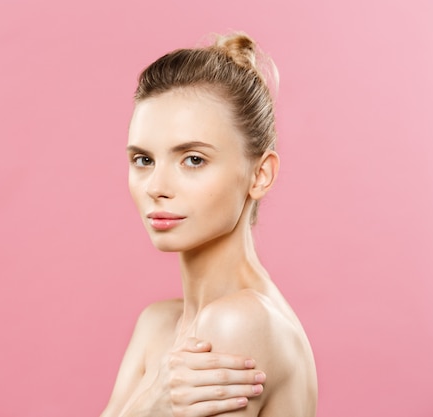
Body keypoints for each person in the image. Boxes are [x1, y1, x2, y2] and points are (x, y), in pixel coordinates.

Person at [101, 32, 318, 417]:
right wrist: (151, 403)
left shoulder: (240, 323)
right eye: (144, 160)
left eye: (193, 159)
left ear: (260, 175)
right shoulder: (158, 326)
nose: (156, 187)